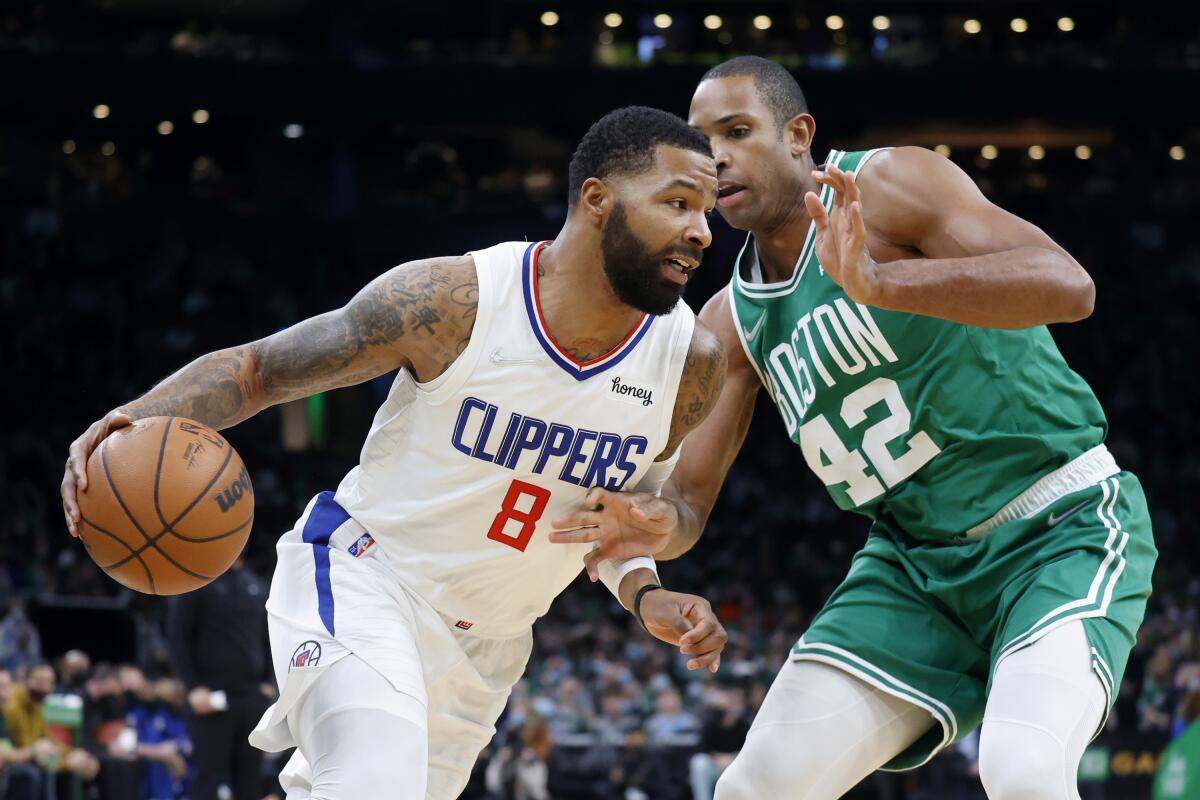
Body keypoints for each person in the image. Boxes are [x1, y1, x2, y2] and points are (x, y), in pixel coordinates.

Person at [61, 105, 730, 800]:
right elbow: (261, 371)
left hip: (488, 649)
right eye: (678, 202)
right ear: (597, 200)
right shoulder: (455, 302)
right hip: (366, 579)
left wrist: (645, 590)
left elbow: (619, 522)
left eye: (707, 210)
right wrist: (130, 419)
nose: (701, 231)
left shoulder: (689, 365)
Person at [551, 57, 1157, 800]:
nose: (716, 158)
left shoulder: (888, 184)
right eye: (701, 142)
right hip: (912, 572)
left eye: (736, 131)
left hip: (1056, 526)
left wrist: (882, 282)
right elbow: (689, 506)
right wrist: (648, 524)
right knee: (753, 788)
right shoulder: (729, 323)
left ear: (799, 134)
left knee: (1024, 771)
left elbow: (1070, 287)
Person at [166, 556, 273, 800]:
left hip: (250, 697)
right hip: (210, 697)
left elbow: (267, 636)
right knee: (208, 779)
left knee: (250, 781)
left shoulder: (255, 585)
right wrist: (192, 687)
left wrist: (268, 682)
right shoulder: (197, 582)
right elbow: (178, 636)